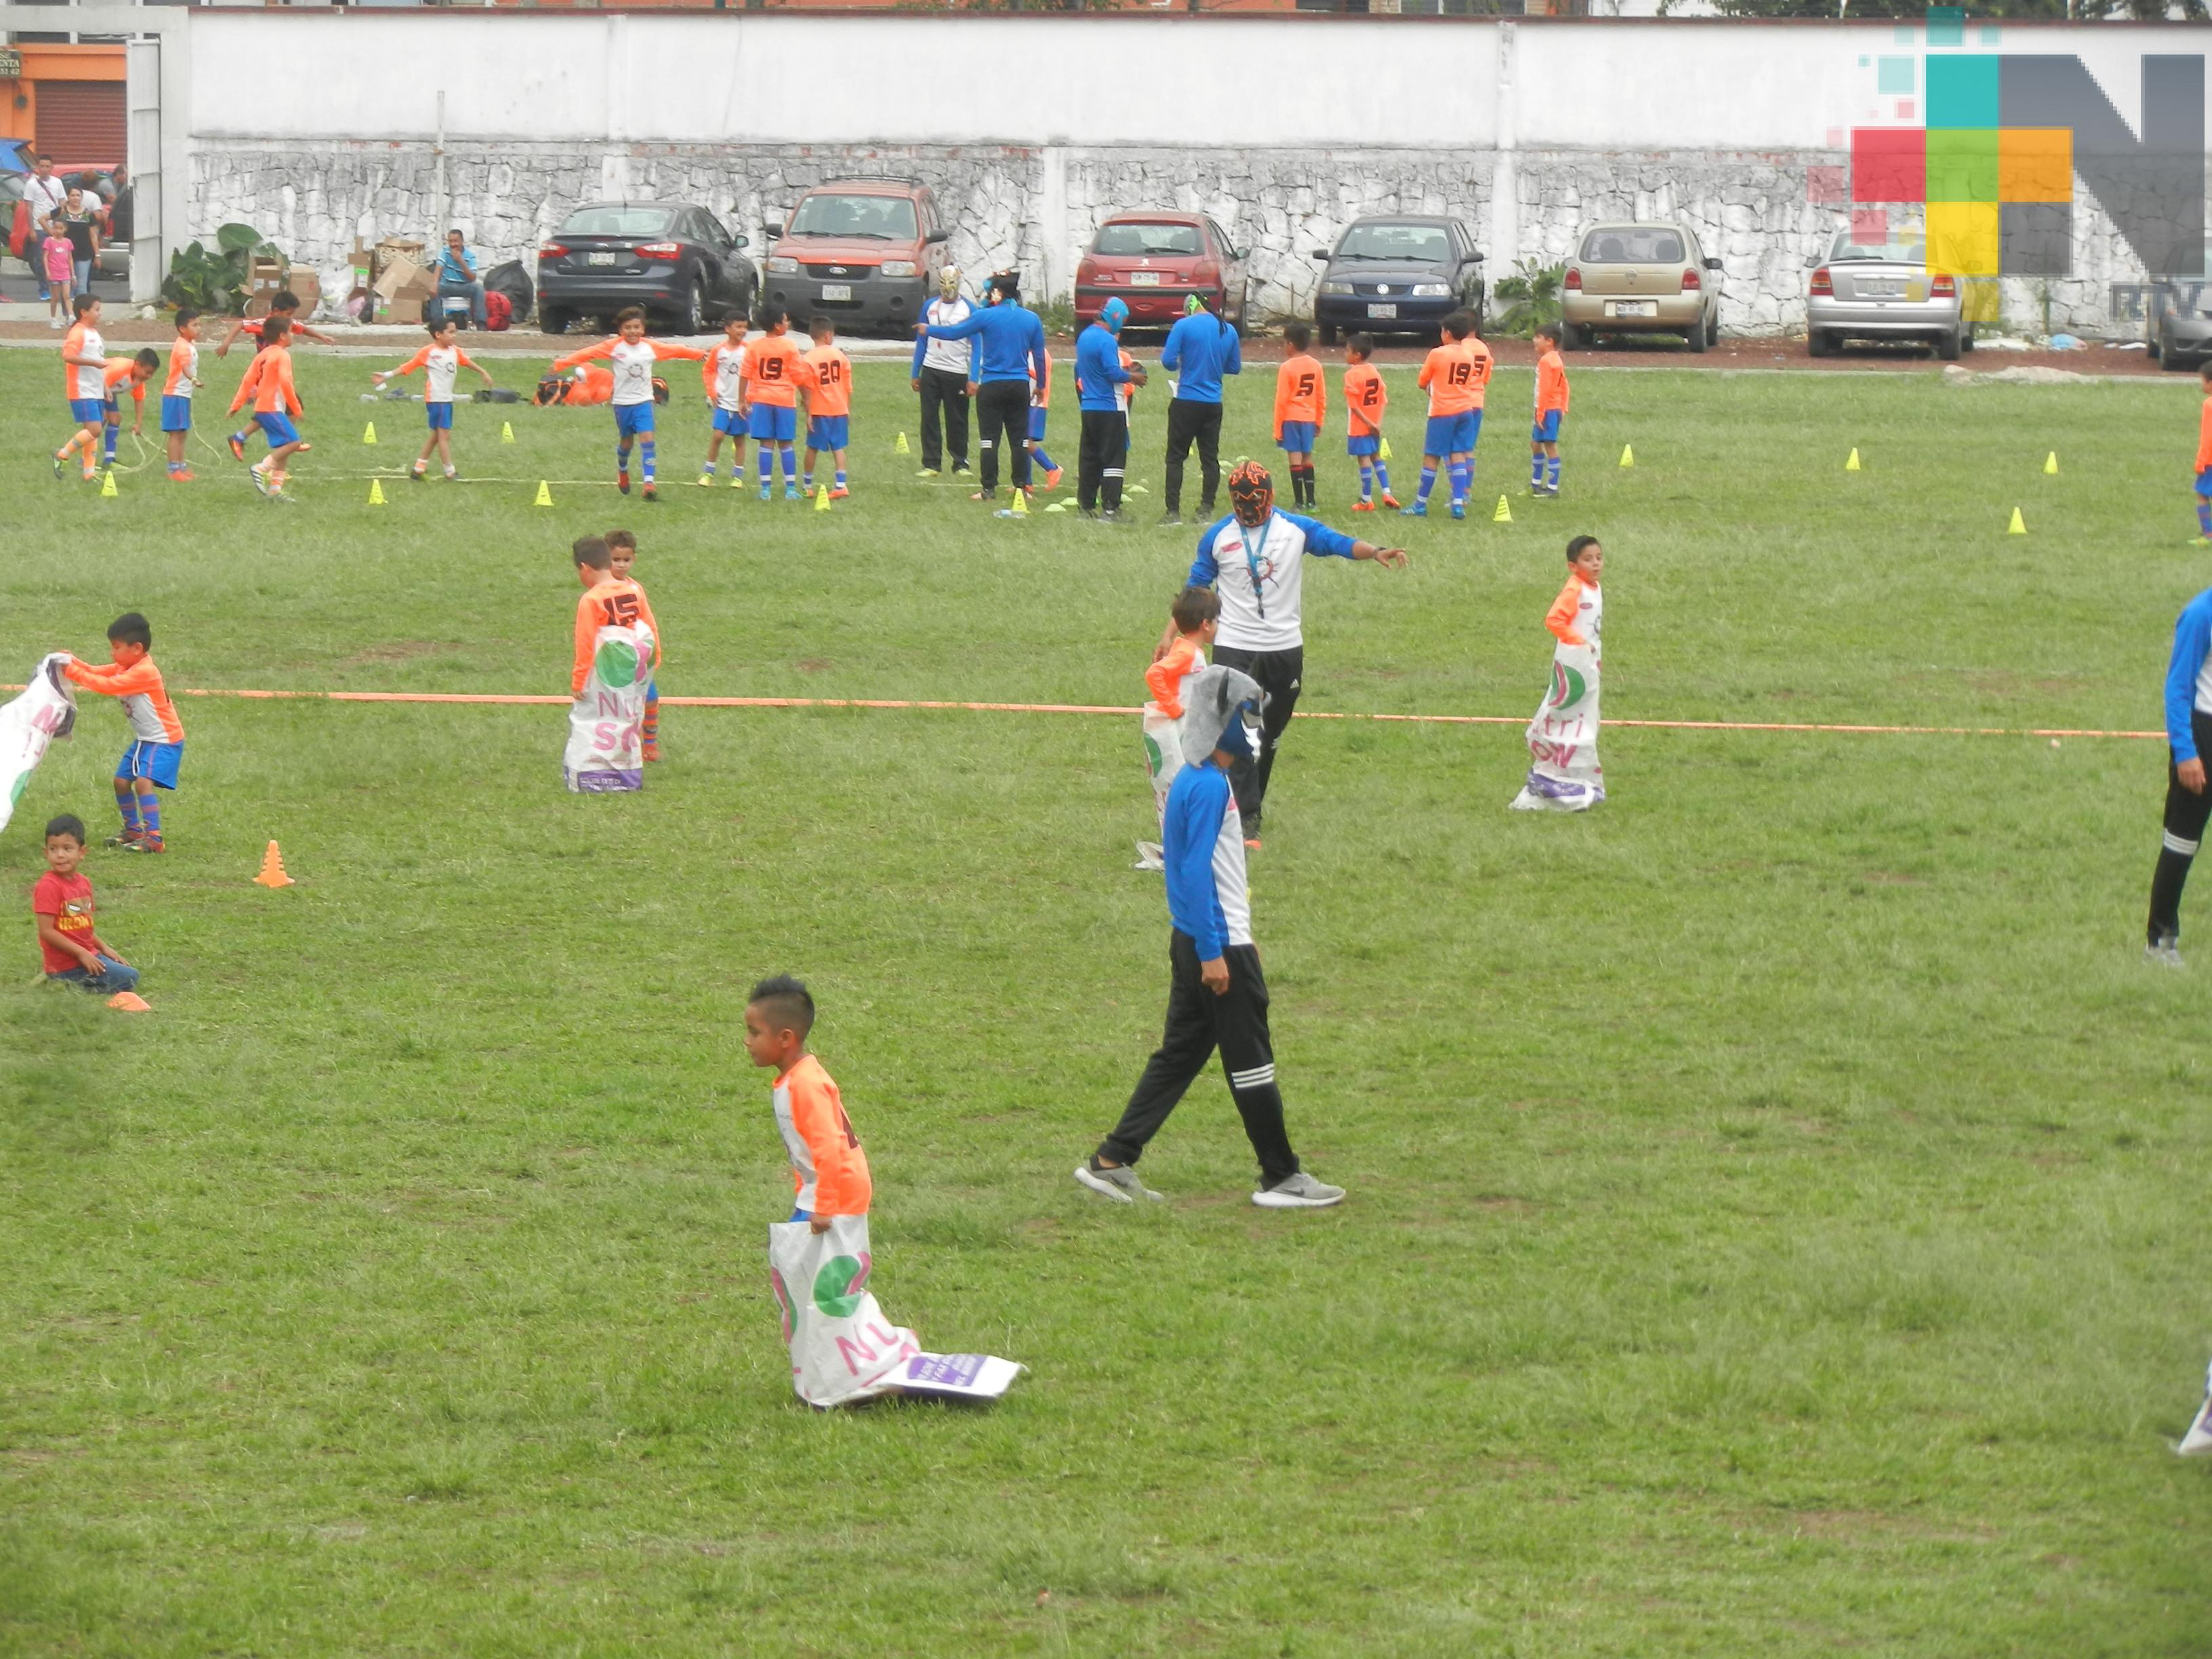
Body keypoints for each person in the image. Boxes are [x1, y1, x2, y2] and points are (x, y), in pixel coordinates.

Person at [1075, 665, 1346, 1210]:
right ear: (1222, 722)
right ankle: (1281, 1176)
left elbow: (1193, 872)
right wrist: (1216, 953)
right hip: (1213, 947)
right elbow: (1195, 873)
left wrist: (1229, 939)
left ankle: (1112, 1159)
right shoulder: (1206, 787)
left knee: (1180, 1054)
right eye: (1248, 715)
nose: (1256, 727)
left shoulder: (1193, 781)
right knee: (1253, 1064)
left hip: (1204, 937)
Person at [1179, 459, 1408, 846]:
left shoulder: (1294, 529)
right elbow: (1196, 589)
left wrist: (1375, 552)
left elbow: (1336, 542)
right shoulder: (1218, 537)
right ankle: (1244, 817)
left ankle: (1246, 804)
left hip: (1284, 648)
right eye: (1241, 501)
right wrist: (1174, 635)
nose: (1249, 509)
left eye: (1255, 500)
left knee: (1268, 736)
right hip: (1235, 645)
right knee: (1240, 730)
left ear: (1269, 497)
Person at [744, 975, 872, 1234]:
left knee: (817, 1272)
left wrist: (824, 1207)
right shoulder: (792, 1079)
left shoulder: (806, 1085)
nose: (747, 1040)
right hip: (821, 1193)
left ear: (785, 1038)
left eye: (755, 1032)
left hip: (839, 1197)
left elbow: (828, 1147)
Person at [917, 269, 1048, 504]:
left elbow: (955, 332)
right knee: (1019, 439)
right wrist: (1041, 385)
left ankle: (988, 489)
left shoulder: (986, 316)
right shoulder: (1031, 319)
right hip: (1019, 385)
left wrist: (929, 329)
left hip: (991, 385)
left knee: (989, 440)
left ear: (997, 293)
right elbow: (1039, 355)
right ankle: (1022, 488)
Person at [550, 307, 705, 501]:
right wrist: (562, 363)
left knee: (648, 440)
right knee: (627, 442)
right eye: (628, 328)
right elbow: (588, 354)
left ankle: (649, 483)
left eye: (637, 327)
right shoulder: (614, 347)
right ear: (621, 330)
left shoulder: (649, 347)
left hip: (644, 402)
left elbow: (673, 350)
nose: (633, 332)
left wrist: (696, 353)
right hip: (622, 404)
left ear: (643, 328)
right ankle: (622, 469)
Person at [63, 612, 184, 854]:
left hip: (164, 740)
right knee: (120, 781)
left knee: (142, 783)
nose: (112, 653)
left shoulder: (144, 672)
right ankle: (133, 830)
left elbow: (106, 686)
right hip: (146, 740)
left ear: (137, 648)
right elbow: (99, 672)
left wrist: (72, 671)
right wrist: (74, 663)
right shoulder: (127, 665)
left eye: (116, 647)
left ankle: (154, 838)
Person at [1510, 535, 1606, 813]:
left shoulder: (1594, 587)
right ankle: (1551, 778)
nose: (1596, 563)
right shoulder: (1575, 589)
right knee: (1564, 714)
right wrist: (1577, 644)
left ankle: (1576, 780)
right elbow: (1554, 619)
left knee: (1585, 717)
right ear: (1573, 566)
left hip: (1589, 660)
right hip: (1572, 663)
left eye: (1599, 557)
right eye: (1588, 559)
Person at [2147, 580, 2212, 966]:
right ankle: (2160, 942)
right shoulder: (2202, 612)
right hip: (2203, 740)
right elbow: (2177, 689)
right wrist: (2186, 753)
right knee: (2181, 844)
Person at [1137, 584, 1218, 871]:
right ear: (1206, 624)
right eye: (1217, 621)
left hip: (1185, 728)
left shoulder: (1189, 650)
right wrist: (1174, 708)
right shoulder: (1188, 654)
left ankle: (1185, 848)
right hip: (1175, 731)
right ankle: (1179, 851)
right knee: (1178, 788)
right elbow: (1155, 673)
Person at [372, 319, 494, 483]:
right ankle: (450, 472)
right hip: (436, 399)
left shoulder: (454, 351)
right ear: (438, 334)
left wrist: (483, 372)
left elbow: (466, 361)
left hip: (446, 399)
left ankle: (418, 469)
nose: (454, 336)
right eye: (450, 332)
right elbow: (409, 366)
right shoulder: (428, 352)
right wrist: (386, 375)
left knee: (437, 435)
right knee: (444, 435)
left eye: (455, 332)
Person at [1158, 291, 1242, 527]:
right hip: (1213, 403)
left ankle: (1173, 512)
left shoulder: (1183, 326)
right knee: (1210, 458)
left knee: (1175, 457)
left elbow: (1167, 362)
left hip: (1185, 400)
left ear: (1191, 306)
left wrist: (1186, 361)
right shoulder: (1228, 329)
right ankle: (1206, 508)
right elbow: (1234, 367)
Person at [33, 816, 141, 996]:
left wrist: (104, 949)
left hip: (86, 955)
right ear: (46, 853)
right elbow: (47, 931)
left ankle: (64, 980)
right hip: (69, 963)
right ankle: (64, 982)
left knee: (121, 967)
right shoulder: (48, 886)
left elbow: (83, 926)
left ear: (82, 852)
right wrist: (83, 954)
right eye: (54, 849)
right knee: (130, 977)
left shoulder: (84, 884)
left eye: (67, 849)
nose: (60, 855)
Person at [1404, 310, 1488, 519]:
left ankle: (1420, 504)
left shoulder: (1437, 354)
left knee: (1432, 457)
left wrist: (1431, 388)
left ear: (1447, 333)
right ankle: (1458, 504)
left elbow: (1422, 381)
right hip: (1466, 411)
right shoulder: (1469, 356)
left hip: (1442, 412)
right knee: (1458, 454)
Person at [1074, 295, 1145, 520]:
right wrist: (1133, 376)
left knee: (1090, 457)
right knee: (1114, 458)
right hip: (1110, 407)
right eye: (1122, 320)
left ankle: (1085, 507)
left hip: (1089, 406)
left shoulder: (1084, 337)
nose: (1122, 325)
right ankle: (1111, 509)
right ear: (1115, 317)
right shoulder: (1106, 341)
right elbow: (1112, 373)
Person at [227, 314, 308, 500]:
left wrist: (236, 405)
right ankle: (261, 468)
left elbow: (247, 381)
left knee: (284, 449)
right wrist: (296, 408)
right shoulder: (282, 355)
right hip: (272, 409)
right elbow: (286, 383)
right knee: (293, 443)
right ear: (282, 336)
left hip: (263, 408)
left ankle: (275, 491)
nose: (293, 334)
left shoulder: (263, 355)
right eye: (290, 331)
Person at [910, 266, 976, 477]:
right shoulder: (929, 306)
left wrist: (974, 378)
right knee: (929, 417)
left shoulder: (970, 309)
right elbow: (921, 340)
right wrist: (915, 372)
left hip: (956, 371)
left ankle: (960, 463)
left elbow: (978, 346)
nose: (948, 289)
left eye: (952, 284)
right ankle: (931, 463)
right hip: (931, 368)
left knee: (957, 418)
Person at [741, 306, 810, 501]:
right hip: (784, 401)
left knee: (766, 444)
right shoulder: (789, 346)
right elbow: (798, 376)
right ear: (777, 326)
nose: (788, 323)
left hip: (761, 400)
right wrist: (806, 397)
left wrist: (742, 400)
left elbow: (745, 374)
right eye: (786, 320)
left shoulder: (754, 346)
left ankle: (765, 490)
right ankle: (790, 489)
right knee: (786, 443)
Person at [606, 530, 663, 762]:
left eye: (626, 560)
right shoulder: (600, 591)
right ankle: (615, 745)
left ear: (634, 560)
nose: (621, 565)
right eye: (615, 560)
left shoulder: (635, 589)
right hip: (610, 660)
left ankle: (649, 743)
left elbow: (647, 621)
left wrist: (654, 652)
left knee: (650, 697)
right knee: (614, 705)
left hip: (636, 657)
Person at [54, 293, 107, 483]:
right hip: (81, 390)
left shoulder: (94, 333)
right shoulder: (77, 332)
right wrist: (93, 363)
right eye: (96, 310)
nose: (99, 314)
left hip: (95, 390)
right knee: (95, 429)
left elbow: (100, 362)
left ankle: (89, 473)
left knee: (91, 432)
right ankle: (62, 454)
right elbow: (67, 356)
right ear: (84, 312)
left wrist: (105, 387)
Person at [1273, 321, 1326, 510]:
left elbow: (1281, 400)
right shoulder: (1316, 366)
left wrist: (1278, 428)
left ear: (1290, 345)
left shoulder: (1287, 368)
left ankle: (1299, 502)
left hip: (1291, 418)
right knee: (1307, 458)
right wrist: (1319, 420)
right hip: (1309, 418)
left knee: (1294, 459)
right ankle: (1311, 501)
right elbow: (1321, 396)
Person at [1342, 332, 1397, 512]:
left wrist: (1368, 423)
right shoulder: (1374, 371)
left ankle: (1366, 500)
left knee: (1364, 460)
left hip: (1360, 427)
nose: (1345, 354)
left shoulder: (1352, 375)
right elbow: (1383, 399)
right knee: (1376, 456)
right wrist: (1377, 424)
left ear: (1357, 355)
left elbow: (1355, 407)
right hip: (1375, 424)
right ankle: (1387, 493)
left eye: (1347, 350)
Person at [801, 316, 853, 499]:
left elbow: (808, 388)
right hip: (839, 409)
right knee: (838, 447)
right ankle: (841, 485)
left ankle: (807, 484)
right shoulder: (841, 356)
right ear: (828, 335)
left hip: (819, 410)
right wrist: (848, 409)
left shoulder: (808, 359)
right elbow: (848, 386)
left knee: (812, 447)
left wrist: (808, 412)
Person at [697, 313, 749, 487]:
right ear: (727, 329)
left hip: (741, 403)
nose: (742, 330)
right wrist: (712, 392)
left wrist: (750, 398)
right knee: (718, 435)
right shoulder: (719, 350)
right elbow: (708, 370)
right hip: (723, 402)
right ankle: (708, 473)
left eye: (745, 327)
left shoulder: (749, 350)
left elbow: (754, 375)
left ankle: (737, 476)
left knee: (739, 439)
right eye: (739, 327)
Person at [216, 291, 335, 362]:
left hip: (279, 362)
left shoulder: (287, 323)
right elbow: (240, 324)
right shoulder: (265, 324)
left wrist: (322, 337)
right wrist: (225, 344)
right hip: (263, 364)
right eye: (289, 314)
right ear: (277, 311)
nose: (292, 318)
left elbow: (303, 328)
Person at [97, 349, 157, 472]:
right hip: (95, 387)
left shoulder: (139, 380)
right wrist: (100, 408)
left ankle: (109, 460)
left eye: (152, 374)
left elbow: (139, 400)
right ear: (137, 364)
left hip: (108, 391)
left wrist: (138, 424)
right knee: (98, 422)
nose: (149, 377)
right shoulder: (119, 370)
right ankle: (85, 460)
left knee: (115, 418)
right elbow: (99, 379)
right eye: (147, 372)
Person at [161, 308, 203, 483]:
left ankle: (181, 465)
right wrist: (194, 379)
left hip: (183, 395)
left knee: (182, 432)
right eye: (194, 325)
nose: (198, 328)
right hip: (175, 395)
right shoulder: (182, 347)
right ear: (182, 328)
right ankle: (173, 469)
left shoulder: (189, 345)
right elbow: (185, 368)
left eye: (199, 324)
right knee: (175, 433)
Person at [1531, 322, 1570, 498]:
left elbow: (1547, 389)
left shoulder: (1547, 361)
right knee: (1535, 444)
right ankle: (1536, 484)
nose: (1534, 340)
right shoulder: (1556, 359)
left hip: (1547, 410)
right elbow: (1565, 386)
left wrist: (1540, 413)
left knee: (1550, 446)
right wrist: (1564, 407)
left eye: (1538, 337)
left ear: (1550, 341)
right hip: (1551, 409)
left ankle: (1552, 487)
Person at [24, 156, 68, 308]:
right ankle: (44, 289)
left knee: (59, 259)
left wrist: (60, 215)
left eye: (47, 166)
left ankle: (60, 289)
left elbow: (63, 201)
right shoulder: (32, 184)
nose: (44, 169)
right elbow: (29, 207)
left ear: (52, 167)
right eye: (41, 166)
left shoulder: (57, 183)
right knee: (41, 260)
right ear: (38, 167)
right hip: (38, 226)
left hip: (55, 225)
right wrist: (31, 229)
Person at [1025, 338, 1062, 491]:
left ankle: (1052, 468)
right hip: (1028, 402)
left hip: (1037, 404)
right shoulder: (1029, 353)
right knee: (1022, 442)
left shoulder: (1040, 354)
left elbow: (1039, 376)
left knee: (1026, 442)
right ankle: (1026, 483)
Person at [435, 228, 487, 330]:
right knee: (434, 287)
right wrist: (434, 284)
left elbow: (472, 278)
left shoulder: (470, 256)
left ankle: (481, 323)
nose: (453, 244)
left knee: (478, 288)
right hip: (447, 285)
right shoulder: (444, 252)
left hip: (464, 286)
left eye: (456, 241)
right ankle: (437, 322)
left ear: (462, 242)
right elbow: (438, 268)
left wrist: (461, 261)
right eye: (450, 241)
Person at [58, 186, 99, 298]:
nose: (75, 198)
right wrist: (52, 235)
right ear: (68, 197)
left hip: (84, 253)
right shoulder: (62, 213)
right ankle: (69, 312)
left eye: (78, 195)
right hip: (65, 254)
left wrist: (97, 255)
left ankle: (82, 312)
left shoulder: (88, 214)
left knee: (81, 286)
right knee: (67, 285)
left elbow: (93, 235)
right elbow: (43, 219)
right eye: (73, 195)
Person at [2193, 361, 2212, 547]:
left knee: (2202, 495)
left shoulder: (2209, 405)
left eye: (2202, 380)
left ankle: (2208, 535)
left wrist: (2200, 462)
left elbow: (2208, 437)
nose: (2201, 384)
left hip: (2211, 462)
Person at [40, 224, 73, 329]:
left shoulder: (68, 242)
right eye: (56, 228)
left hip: (65, 272)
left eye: (61, 228)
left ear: (65, 229)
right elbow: (45, 257)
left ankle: (71, 316)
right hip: (54, 272)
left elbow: (70, 258)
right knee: (55, 297)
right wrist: (47, 271)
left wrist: (73, 274)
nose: (58, 231)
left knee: (67, 295)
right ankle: (53, 318)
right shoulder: (49, 241)